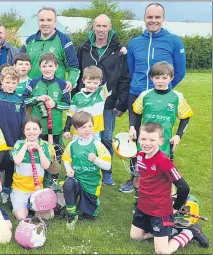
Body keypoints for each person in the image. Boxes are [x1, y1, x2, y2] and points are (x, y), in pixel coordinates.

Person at [122, 3, 187, 192]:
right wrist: (145, 89)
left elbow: (180, 71)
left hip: (162, 96)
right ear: (144, 18)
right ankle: (136, 177)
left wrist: (163, 91)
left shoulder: (174, 41)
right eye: (150, 17)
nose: (153, 20)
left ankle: (159, 175)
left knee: (161, 137)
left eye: (157, 17)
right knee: (136, 137)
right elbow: (132, 69)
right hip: (137, 94)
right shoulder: (134, 42)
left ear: (163, 18)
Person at [129, 122, 209, 253]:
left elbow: (183, 187)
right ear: (138, 139)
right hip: (143, 207)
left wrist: (175, 208)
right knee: (135, 236)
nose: (147, 143)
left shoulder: (164, 162)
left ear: (161, 141)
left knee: (163, 251)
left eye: (152, 140)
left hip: (161, 211)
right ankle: (171, 230)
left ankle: (190, 231)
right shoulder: (140, 156)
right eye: (143, 139)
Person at [76, 14, 131, 186]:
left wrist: (121, 102)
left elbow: (124, 77)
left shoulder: (118, 49)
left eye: (104, 26)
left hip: (107, 102)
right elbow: (78, 73)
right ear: (93, 27)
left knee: (106, 137)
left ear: (110, 27)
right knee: (84, 135)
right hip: (85, 102)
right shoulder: (84, 48)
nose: (100, 29)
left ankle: (106, 171)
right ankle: (83, 168)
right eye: (97, 26)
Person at [128, 62, 193, 199]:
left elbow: (186, 117)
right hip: (144, 144)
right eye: (157, 78)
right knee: (140, 175)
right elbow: (135, 112)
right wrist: (132, 127)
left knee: (162, 176)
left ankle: (162, 201)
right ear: (151, 78)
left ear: (171, 78)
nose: (161, 81)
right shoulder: (145, 95)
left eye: (164, 78)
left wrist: (178, 136)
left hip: (163, 144)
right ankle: (140, 201)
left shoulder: (177, 96)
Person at [62, 111, 111, 230]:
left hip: (92, 184)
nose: (88, 129)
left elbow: (107, 166)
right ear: (75, 129)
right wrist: (68, 169)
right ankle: (72, 213)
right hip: (77, 179)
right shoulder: (72, 145)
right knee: (68, 184)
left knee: (89, 216)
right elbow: (66, 158)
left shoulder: (98, 145)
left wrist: (96, 160)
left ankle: (88, 204)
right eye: (83, 127)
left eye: (90, 126)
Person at [22, 53, 70, 170]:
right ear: (40, 67)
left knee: (55, 153)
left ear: (56, 67)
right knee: (37, 153)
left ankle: (53, 178)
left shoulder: (61, 84)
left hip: (54, 127)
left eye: (50, 66)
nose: (47, 69)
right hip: (36, 128)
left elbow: (68, 105)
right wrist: (36, 99)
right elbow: (23, 100)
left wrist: (55, 104)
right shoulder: (33, 82)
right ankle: (37, 175)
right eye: (44, 66)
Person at [0, 66, 26, 201]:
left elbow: (23, 122)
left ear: (18, 83)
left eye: (13, 83)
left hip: (13, 139)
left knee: (10, 166)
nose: (10, 85)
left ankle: (6, 189)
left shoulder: (20, 101)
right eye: (7, 82)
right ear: (1, 81)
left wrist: (23, 138)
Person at [20, 7, 79, 92]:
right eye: (42, 20)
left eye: (49, 20)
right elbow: (19, 64)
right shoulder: (29, 41)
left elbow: (73, 67)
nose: (45, 23)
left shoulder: (64, 40)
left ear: (55, 22)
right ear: (38, 22)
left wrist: (71, 81)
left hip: (54, 93)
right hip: (31, 92)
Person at [10, 118, 52, 220]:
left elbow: (46, 166)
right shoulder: (19, 144)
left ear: (40, 130)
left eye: (35, 129)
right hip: (20, 189)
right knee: (21, 216)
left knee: (49, 216)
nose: (31, 132)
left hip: (37, 189)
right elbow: (17, 161)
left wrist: (39, 149)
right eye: (28, 129)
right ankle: (23, 206)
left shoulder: (45, 145)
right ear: (24, 131)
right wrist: (25, 147)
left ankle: (33, 206)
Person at [64, 66, 110, 141]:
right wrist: (66, 129)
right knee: (77, 151)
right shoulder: (77, 97)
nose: (92, 85)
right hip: (78, 132)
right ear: (83, 80)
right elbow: (71, 114)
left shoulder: (101, 93)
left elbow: (113, 79)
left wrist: (120, 58)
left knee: (94, 152)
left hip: (95, 132)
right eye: (89, 82)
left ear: (100, 82)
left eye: (95, 83)